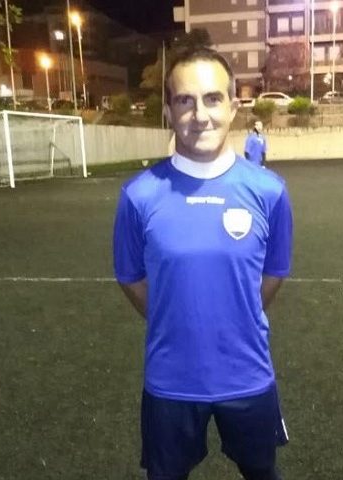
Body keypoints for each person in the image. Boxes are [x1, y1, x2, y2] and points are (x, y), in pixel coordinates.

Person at [113, 48, 293, 480]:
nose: (200, 115)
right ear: (168, 112)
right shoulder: (138, 196)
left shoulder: (269, 192)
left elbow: (274, 272)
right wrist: (173, 317)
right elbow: (130, 278)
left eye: (213, 99)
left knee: (262, 472)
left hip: (247, 374)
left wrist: (237, 315)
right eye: (185, 100)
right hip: (171, 380)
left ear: (233, 106)